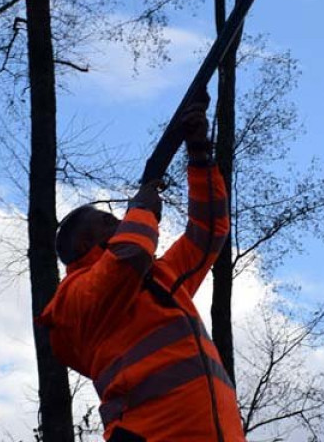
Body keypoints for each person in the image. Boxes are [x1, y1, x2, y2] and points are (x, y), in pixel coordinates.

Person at [38, 92, 245, 442]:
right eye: (108, 222)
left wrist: (199, 154)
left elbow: (210, 231)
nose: (120, 221)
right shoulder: (72, 298)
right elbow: (128, 258)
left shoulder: (160, 278)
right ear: (85, 244)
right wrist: (143, 210)